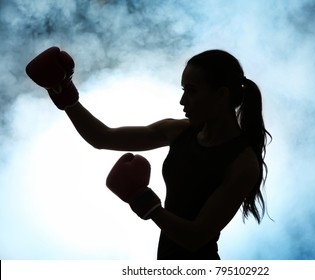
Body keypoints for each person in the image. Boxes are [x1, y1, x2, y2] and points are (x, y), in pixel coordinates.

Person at [25, 46, 271, 260]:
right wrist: (63, 91)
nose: (182, 101)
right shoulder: (179, 130)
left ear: (222, 95)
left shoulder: (243, 165)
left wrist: (143, 200)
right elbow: (102, 137)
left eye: (192, 91)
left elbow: (195, 238)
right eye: (183, 89)